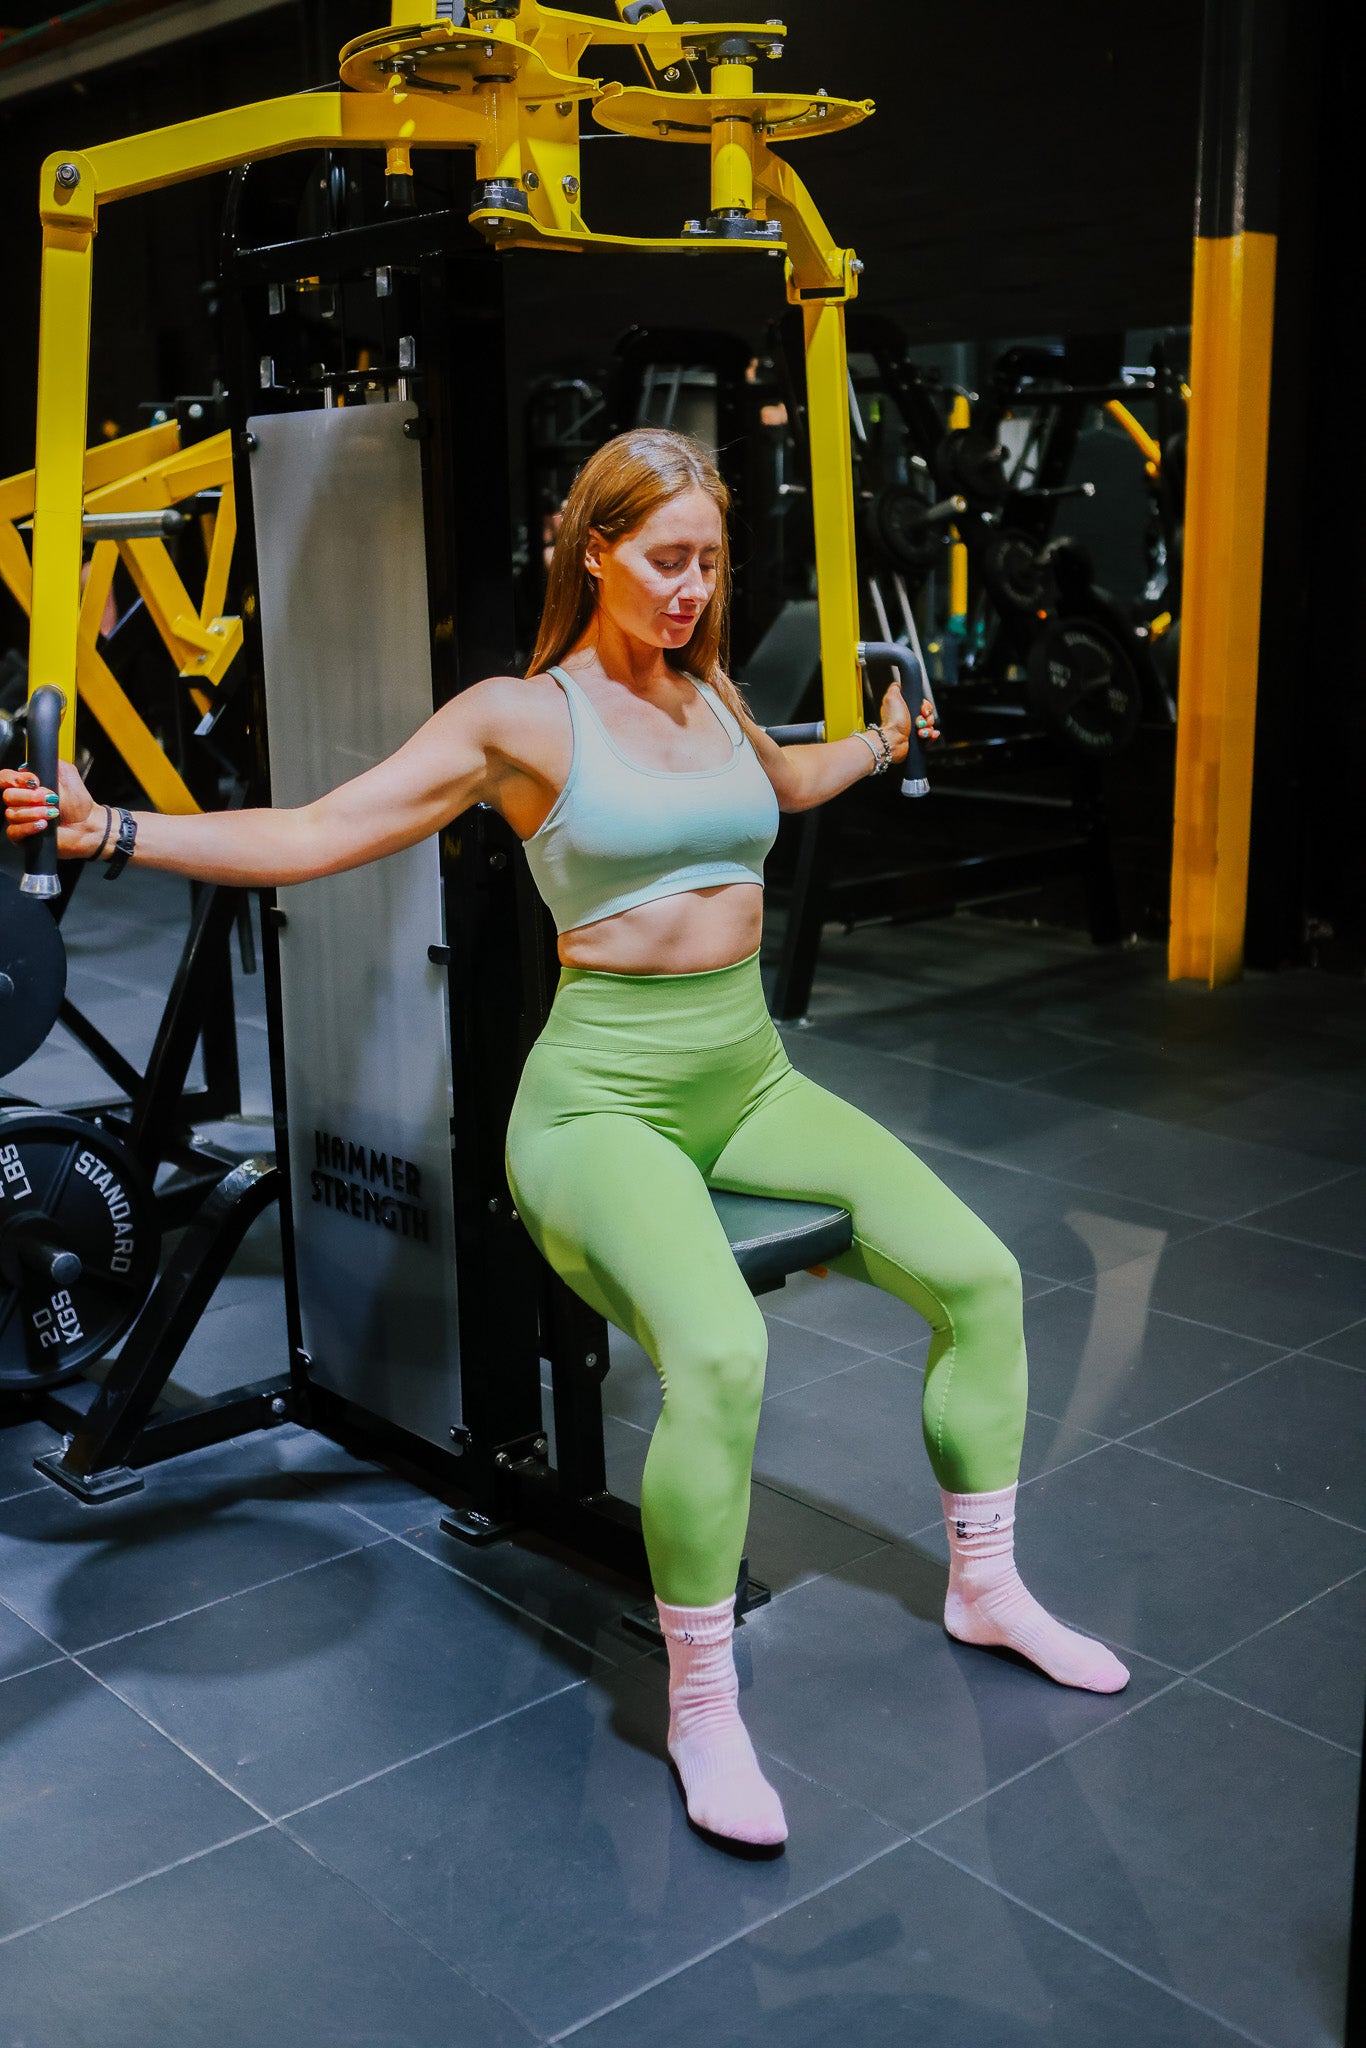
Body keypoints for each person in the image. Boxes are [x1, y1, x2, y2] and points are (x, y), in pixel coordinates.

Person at [3, 427, 1127, 1854]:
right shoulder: (522, 718)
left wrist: (879, 743)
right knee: (720, 1352)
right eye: (666, 560)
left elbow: (782, 788)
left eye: (710, 562)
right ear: (593, 551)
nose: (692, 589)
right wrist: (113, 830)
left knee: (982, 1278)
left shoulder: (709, 688)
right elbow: (316, 833)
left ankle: (987, 1584)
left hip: (750, 1080)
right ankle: (702, 1700)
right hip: (599, 1105)